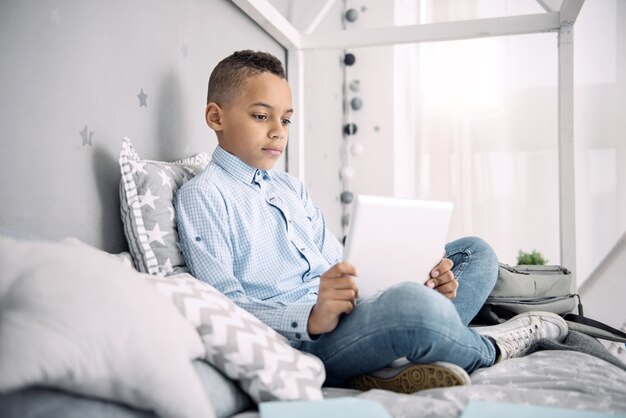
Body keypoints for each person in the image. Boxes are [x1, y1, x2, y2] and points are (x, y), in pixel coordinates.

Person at [174, 50, 568, 393]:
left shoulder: (291, 189)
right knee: (411, 306)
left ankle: (412, 340)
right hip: (306, 342)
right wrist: (311, 317)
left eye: (287, 120)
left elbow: (339, 264)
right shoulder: (204, 195)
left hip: (351, 309)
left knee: (474, 252)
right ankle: (494, 345)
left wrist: (418, 280)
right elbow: (224, 308)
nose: (279, 132)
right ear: (216, 117)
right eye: (262, 116)